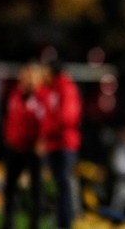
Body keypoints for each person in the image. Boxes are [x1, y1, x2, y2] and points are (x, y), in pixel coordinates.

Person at [1, 63, 45, 229]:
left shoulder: (41, 97)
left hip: (32, 149)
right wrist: (8, 138)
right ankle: (8, 224)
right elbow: (10, 118)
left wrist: (41, 141)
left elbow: (45, 122)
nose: (25, 80)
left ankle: (34, 224)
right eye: (23, 76)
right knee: (10, 188)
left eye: (28, 76)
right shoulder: (16, 94)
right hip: (15, 147)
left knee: (36, 190)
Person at [40, 59, 82, 229]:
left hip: (65, 145)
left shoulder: (67, 88)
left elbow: (67, 118)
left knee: (66, 187)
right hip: (54, 144)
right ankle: (60, 222)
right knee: (57, 188)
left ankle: (68, 223)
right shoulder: (51, 89)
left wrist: (47, 132)